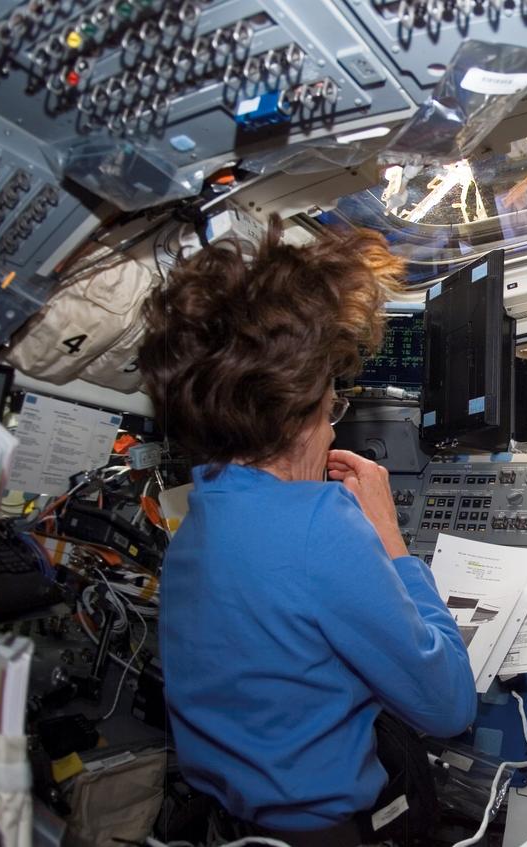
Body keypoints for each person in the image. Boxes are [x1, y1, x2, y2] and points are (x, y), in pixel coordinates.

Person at [138, 219, 476, 845]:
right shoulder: (322, 521)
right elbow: (449, 705)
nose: (331, 427)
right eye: (331, 406)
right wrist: (388, 533)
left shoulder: (194, 524)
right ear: (296, 413)